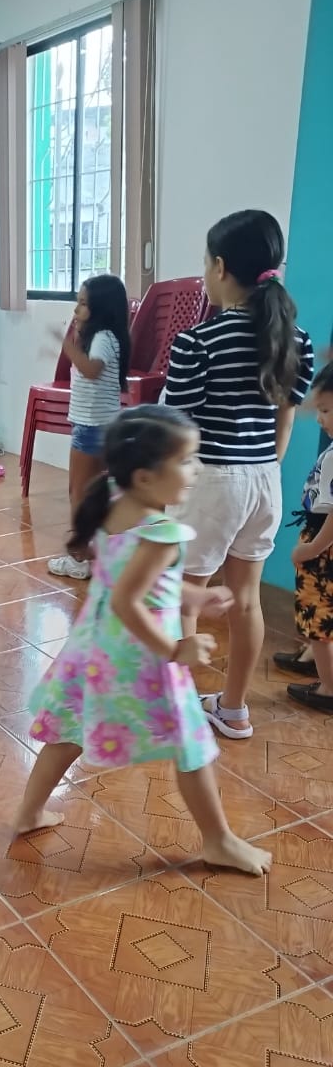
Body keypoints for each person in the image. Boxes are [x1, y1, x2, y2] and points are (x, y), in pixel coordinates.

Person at [19, 405, 271, 876]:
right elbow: (127, 600)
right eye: (187, 460)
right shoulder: (162, 533)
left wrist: (195, 595)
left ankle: (29, 812)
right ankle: (218, 841)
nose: (197, 470)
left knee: (69, 729)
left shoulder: (113, 497)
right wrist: (175, 649)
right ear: (146, 477)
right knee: (191, 744)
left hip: (96, 647)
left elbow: (138, 579)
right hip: (143, 655)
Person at [165, 209, 313, 740]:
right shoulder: (297, 339)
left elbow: (174, 429)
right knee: (246, 600)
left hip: (209, 480)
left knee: (185, 591)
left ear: (221, 267)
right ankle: (233, 709)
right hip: (264, 479)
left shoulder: (198, 341)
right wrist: (263, 467)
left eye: (206, 263)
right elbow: (285, 419)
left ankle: (180, 711)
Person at [48, 274, 130, 581]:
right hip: (104, 426)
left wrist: (66, 347)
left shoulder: (102, 338)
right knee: (97, 493)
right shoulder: (108, 337)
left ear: (100, 308)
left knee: (79, 493)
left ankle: (78, 558)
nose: (76, 309)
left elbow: (92, 369)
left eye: (83, 303)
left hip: (91, 427)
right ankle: (99, 553)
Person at [284, 363, 333, 712]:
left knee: (318, 623)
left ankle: (328, 689)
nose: (319, 418)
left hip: (323, 546)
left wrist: (312, 548)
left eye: (326, 410)